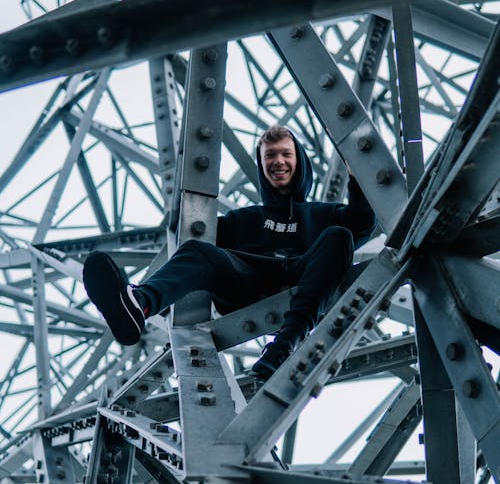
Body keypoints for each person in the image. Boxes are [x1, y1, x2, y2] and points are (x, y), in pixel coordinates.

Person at [83, 126, 376, 380]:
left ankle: (285, 344)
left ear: (299, 161)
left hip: (305, 277)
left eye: (286, 154)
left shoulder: (326, 215)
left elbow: (364, 221)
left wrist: (357, 172)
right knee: (197, 251)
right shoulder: (242, 219)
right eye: (270, 156)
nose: (279, 161)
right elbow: (194, 237)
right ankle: (140, 304)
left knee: (339, 237)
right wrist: (181, 217)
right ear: (261, 167)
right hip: (247, 283)